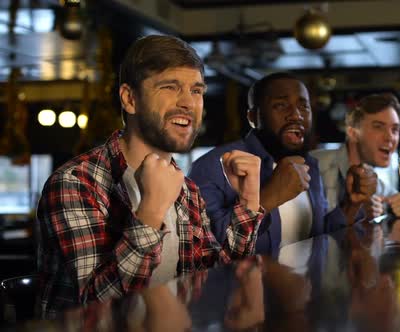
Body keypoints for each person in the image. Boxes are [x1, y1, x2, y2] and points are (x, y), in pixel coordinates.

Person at [36, 35, 264, 318]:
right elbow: (97, 311)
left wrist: (248, 203)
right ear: (130, 99)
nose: (188, 103)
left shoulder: (187, 190)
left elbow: (215, 283)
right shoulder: (75, 183)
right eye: (170, 87)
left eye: (196, 91)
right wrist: (151, 210)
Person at [189, 72, 376, 254]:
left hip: (311, 285)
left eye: (304, 107)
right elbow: (206, 254)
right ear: (253, 118)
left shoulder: (310, 165)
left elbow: (316, 236)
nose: (296, 115)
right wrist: (269, 197)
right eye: (280, 105)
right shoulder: (213, 165)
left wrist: (352, 204)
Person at [311, 93, 400, 219]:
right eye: (378, 127)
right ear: (352, 133)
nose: (390, 137)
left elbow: (398, 201)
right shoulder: (315, 165)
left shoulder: (377, 183)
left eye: (394, 129)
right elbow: (308, 230)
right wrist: (358, 213)